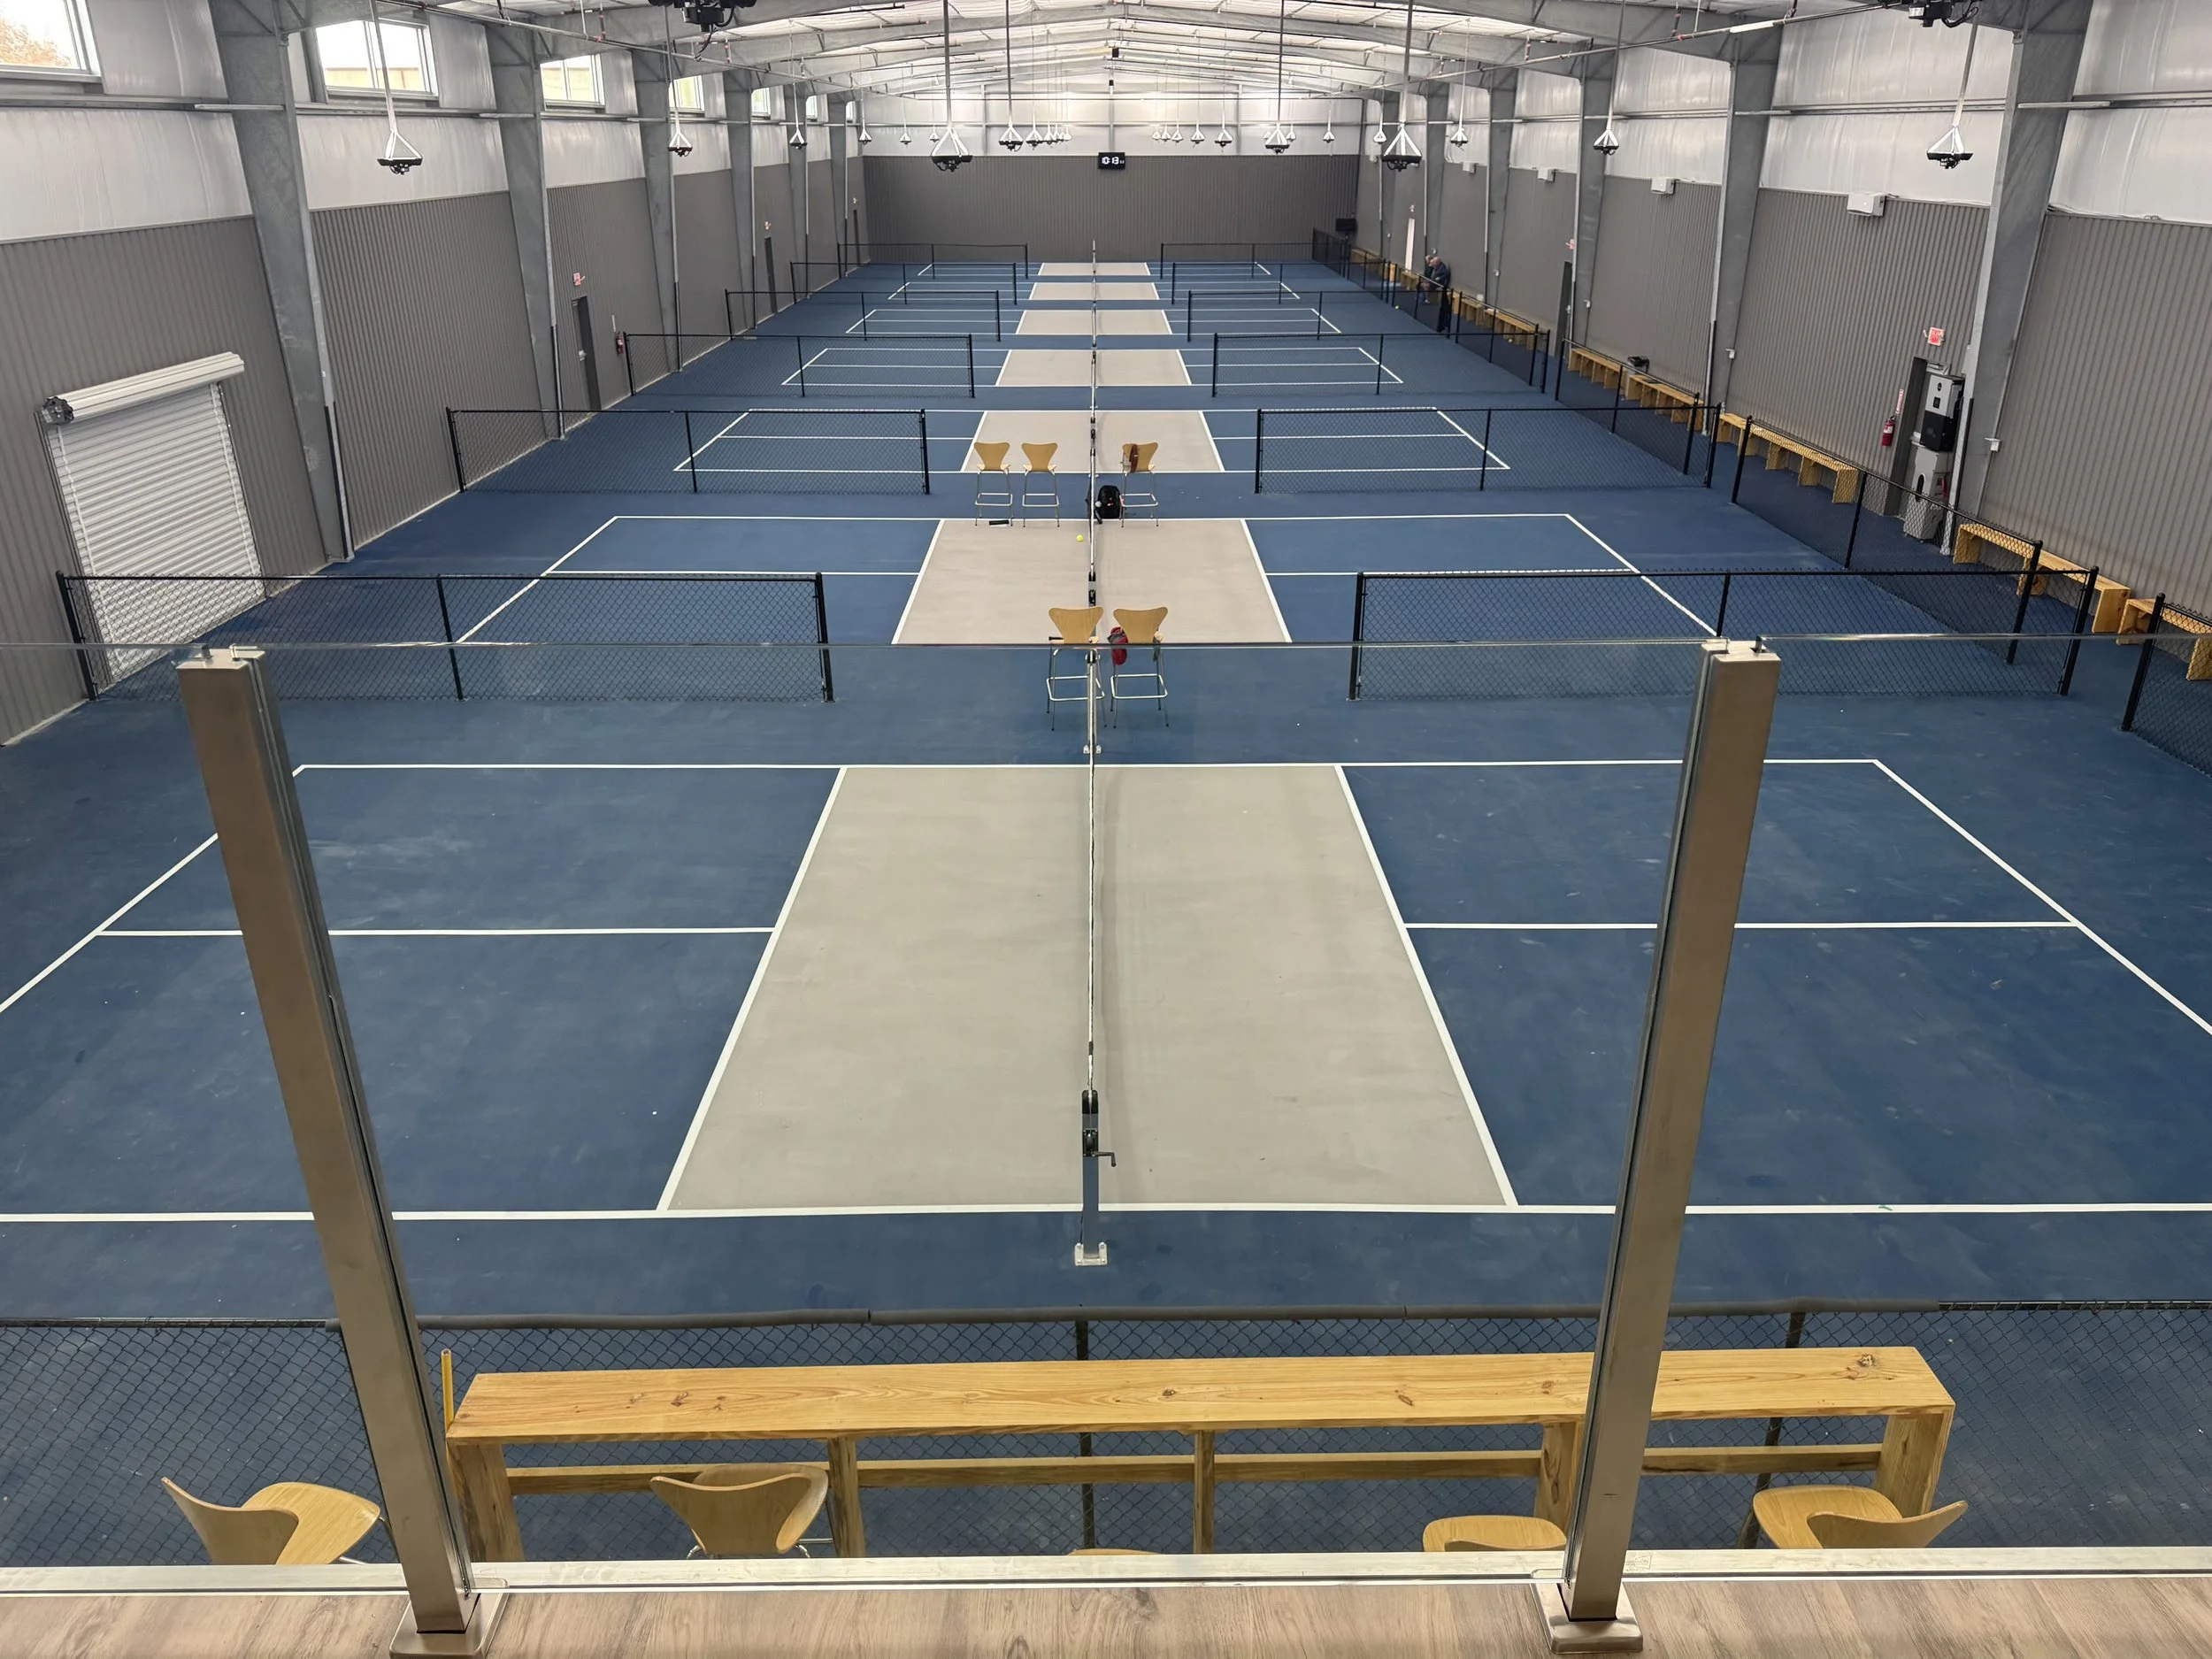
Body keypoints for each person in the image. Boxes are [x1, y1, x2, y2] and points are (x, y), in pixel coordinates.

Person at [1424, 253, 1454, 333]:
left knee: (1427, 286)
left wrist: (1439, 278)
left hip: (1440, 285)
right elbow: (1427, 274)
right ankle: (1426, 297)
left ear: (1437, 263)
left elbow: (1446, 274)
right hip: (1434, 282)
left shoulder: (1442, 268)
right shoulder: (1435, 267)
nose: (1432, 264)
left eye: (1434, 263)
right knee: (1423, 285)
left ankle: (1429, 297)